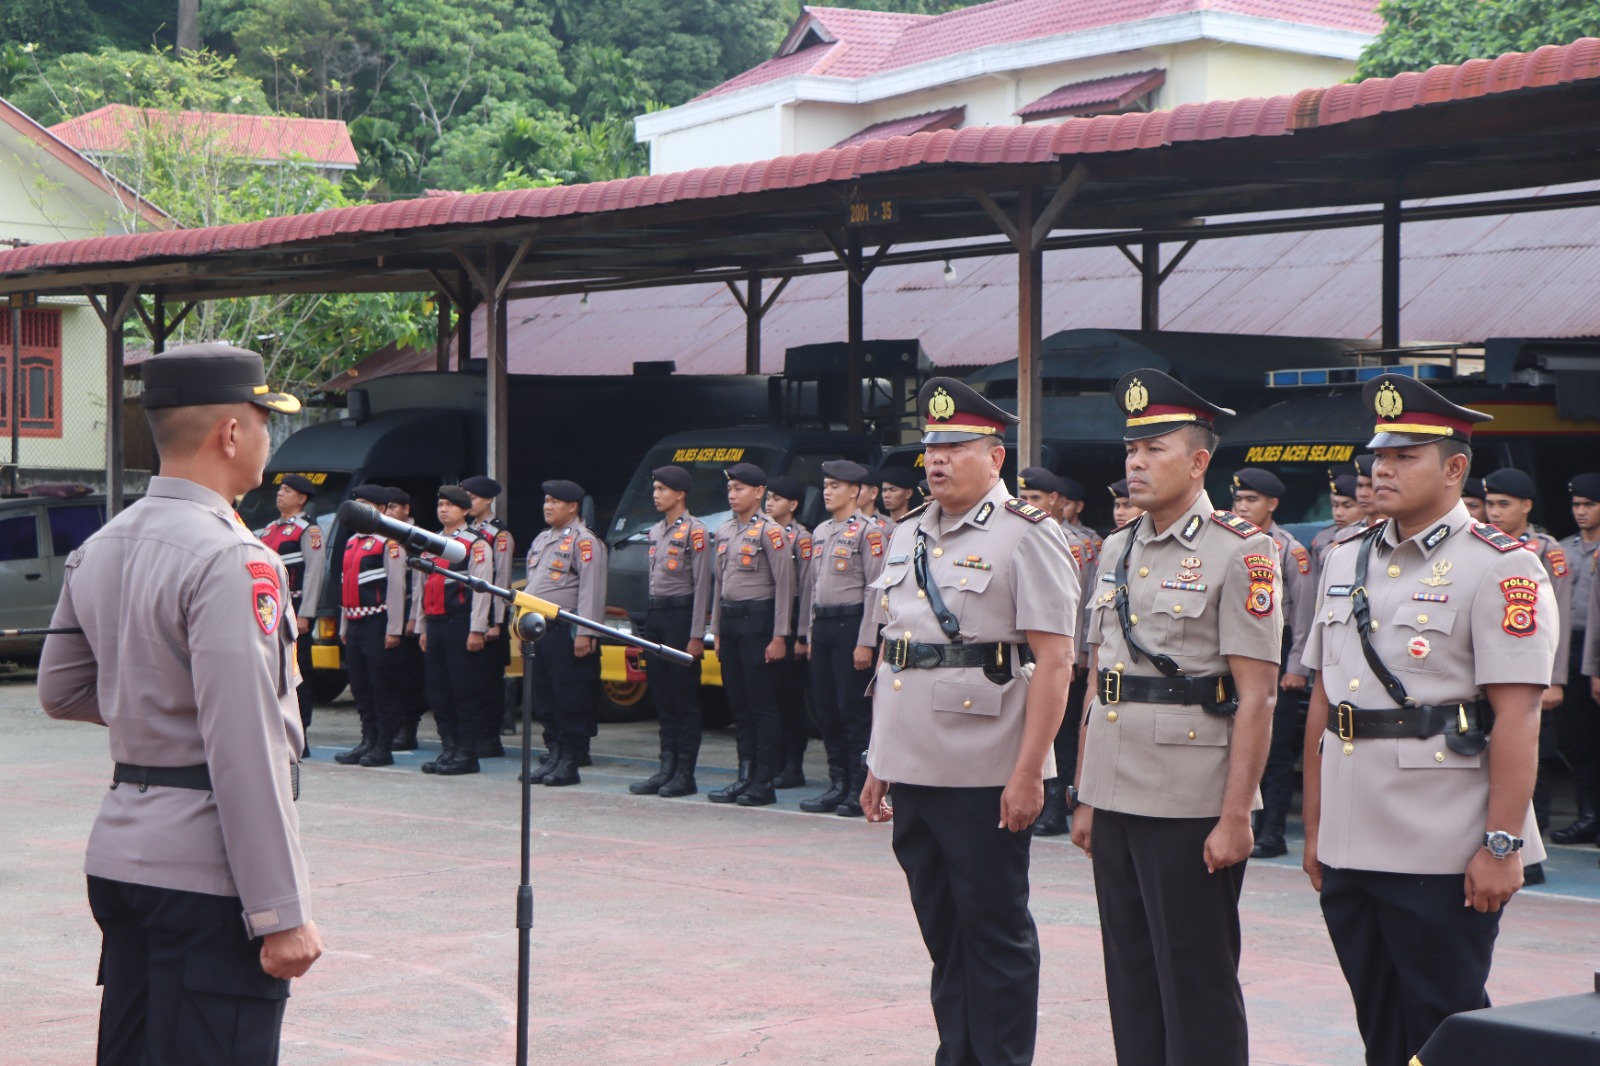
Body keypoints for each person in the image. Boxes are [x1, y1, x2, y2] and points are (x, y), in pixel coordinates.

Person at [39, 343, 322, 1065]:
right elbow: (246, 745)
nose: (266, 439)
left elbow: (61, 690)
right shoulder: (235, 557)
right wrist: (281, 911)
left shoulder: (100, 545)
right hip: (205, 871)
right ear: (231, 432)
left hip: (122, 854)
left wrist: (151, 703)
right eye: (264, 421)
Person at [1300, 374, 1554, 1066]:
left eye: (1404, 456)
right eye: (1379, 456)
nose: (1381, 469)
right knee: (1379, 1024)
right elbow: (1326, 700)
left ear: (1453, 469)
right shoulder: (1344, 556)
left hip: (1441, 841)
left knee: (1445, 1026)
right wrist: (1316, 826)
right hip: (1351, 835)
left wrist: (1501, 845)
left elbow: (1518, 715)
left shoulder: (1501, 566)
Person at [860, 377, 1077, 1066]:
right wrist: (878, 761)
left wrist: (1029, 774)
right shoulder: (907, 534)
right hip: (912, 765)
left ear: (995, 456)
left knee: (995, 932)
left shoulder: (1028, 536)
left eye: (956, 447)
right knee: (943, 934)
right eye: (932, 448)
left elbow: (1055, 663)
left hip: (985, 770)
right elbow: (898, 653)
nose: (938, 460)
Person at [1071, 368, 1282, 1066]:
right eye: (1131, 450)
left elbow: (1257, 695)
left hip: (1192, 798)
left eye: (1154, 449)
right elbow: (1102, 682)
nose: (1136, 462)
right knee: (1130, 977)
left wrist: (1237, 814)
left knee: (1196, 981)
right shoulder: (1116, 547)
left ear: (1197, 463)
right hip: (1115, 790)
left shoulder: (1241, 549)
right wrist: (1085, 794)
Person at [1485, 467, 1573, 877]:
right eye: (1490, 504)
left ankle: (1528, 854)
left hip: (1533, 669)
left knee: (1530, 758)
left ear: (1526, 506)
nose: (1494, 512)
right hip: (1495, 668)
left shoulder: (1545, 551)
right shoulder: (1482, 546)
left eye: (1504, 504)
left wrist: (1554, 679)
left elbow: (1558, 619)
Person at [1228, 467, 1312, 860]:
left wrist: (1296, 667)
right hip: (1237, 646)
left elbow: (1306, 614)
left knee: (1275, 748)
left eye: (1252, 500)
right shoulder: (1228, 541)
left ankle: (1272, 831)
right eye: (1238, 500)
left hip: (1280, 649)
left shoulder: (1289, 550)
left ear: (1272, 504)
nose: (1242, 507)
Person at [797, 460, 885, 816]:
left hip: (852, 626)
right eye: (826, 486)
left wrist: (866, 641)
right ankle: (837, 783)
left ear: (855, 491)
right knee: (826, 709)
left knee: (853, 711)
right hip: (825, 626)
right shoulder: (820, 531)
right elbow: (814, 586)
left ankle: (858, 786)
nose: (828, 492)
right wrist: (810, 633)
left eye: (835, 486)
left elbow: (875, 589)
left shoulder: (869, 532)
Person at [709, 463, 796, 807]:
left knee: (762, 705)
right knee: (739, 704)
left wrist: (780, 635)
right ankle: (744, 774)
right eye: (730, 489)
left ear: (759, 492)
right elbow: (720, 585)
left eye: (740, 488)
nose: (732, 495)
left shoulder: (770, 532)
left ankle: (763, 780)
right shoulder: (725, 530)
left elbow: (785, 587)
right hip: (730, 623)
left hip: (758, 622)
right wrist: (716, 630)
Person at [628, 465, 714, 798]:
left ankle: (684, 772)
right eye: (655, 489)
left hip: (681, 616)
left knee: (683, 697)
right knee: (661, 695)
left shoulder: (695, 531)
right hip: (657, 615)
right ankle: (666, 767)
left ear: (680, 494)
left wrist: (696, 634)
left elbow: (702, 585)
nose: (656, 495)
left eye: (662, 489)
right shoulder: (655, 531)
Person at [521, 480, 608, 787]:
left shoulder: (584, 542)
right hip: (539, 630)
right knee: (544, 699)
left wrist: (586, 632)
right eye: (546, 500)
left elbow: (592, 590)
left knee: (570, 698)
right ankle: (554, 754)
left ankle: (570, 760)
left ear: (572, 507)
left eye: (555, 502)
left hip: (566, 630)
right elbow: (533, 586)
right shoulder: (543, 539)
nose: (548, 506)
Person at [1017, 466, 1089, 838]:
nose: (1028, 504)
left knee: (1061, 733)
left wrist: (1076, 654)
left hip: (1060, 652)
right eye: (1023, 497)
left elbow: (1079, 605)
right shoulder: (1014, 533)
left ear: (1055, 501)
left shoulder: (1073, 543)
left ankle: (1056, 805)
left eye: (1036, 498)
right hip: (1023, 651)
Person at [414, 485, 493, 777]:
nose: (443, 510)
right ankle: (448, 748)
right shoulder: (432, 543)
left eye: (450, 505)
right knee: (438, 691)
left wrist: (477, 629)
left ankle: (467, 753)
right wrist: (422, 626)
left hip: (460, 623)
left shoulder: (475, 544)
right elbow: (422, 587)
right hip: (435, 624)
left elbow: (482, 589)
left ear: (465, 511)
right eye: (440, 505)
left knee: (464, 691)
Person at [332, 484, 409, 768]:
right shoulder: (352, 542)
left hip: (378, 621)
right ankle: (368, 739)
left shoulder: (388, 542)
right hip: (355, 622)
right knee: (360, 686)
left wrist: (394, 628)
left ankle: (383, 745)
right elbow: (346, 586)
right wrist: (344, 625)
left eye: (365, 503)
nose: (358, 508)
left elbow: (397, 588)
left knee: (382, 686)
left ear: (380, 509)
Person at [255, 472, 326, 748]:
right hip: (270, 609)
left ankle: (300, 734)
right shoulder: (269, 530)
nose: (280, 494)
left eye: (286, 490)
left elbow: (314, 573)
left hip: (294, 609)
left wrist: (306, 613)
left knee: (297, 674)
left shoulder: (308, 530)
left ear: (301, 498)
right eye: (280, 489)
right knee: (271, 671)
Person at [1552, 473, 1600, 845]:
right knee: (1578, 739)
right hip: (1570, 647)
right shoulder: (1563, 549)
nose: (1580, 511)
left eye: (1589, 505)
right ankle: (1588, 815)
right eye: (1576, 505)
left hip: (1596, 650)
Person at [766, 475, 814, 790]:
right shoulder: (763, 532)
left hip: (794, 616)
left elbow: (807, 587)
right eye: (768, 498)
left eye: (776, 499)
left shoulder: (801, 538)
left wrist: (801, 635)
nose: (769, 503)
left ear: (793, 505)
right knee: (769, 697)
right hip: (768, 616)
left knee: (790, 698)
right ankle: (773, 762)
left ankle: (793, 766)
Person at [464, 475, 516, 758]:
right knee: (470, 680)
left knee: (488, 682)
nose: (468, 503)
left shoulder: (499, 535)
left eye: (472, 498)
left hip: (491, 617)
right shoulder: (466, 531)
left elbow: (501, 580)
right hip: (470, 612)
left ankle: (490, 736)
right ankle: (474, 735)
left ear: (488, 500)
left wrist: (496, 622)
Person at [383, 487, 428, 750]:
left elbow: (419, 582)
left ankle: (408, 728)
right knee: (388, 676)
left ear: (406, 509)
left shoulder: (416, 536)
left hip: (409, 614)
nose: (388, 512)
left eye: (393, 507)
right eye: (385, 508)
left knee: (408, 677)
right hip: (386, 614)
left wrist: (414, 618)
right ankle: (391, 728)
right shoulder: (381, 536)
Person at [1059, 475, 1102, 563]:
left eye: (1066, 504)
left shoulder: (1089, 539)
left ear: (1079, 506)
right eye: (1059, 503)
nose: (1061, 507)